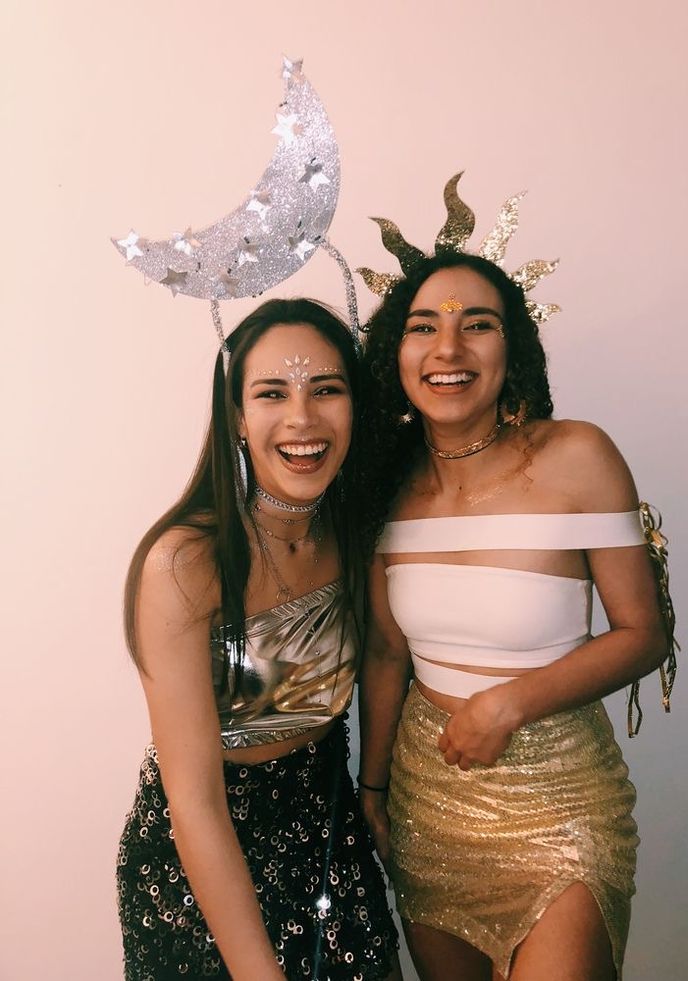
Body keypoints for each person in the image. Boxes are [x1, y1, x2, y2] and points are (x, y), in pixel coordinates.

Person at [356, 250, 672, 981]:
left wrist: (510, 702)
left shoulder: (578, 456)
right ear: (397, 353)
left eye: (478, 324)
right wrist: (372, 791)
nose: (448, 348)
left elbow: (642, 632)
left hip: (560, 793)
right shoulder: (387, 486)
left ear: (513, 347)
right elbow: (383, 653)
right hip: (428, 799)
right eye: (424, 326)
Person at [117, 298, 400, 981]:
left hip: (327, 825)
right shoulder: (186, 562)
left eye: (326, 389)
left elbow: (389, 658)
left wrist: (374, 793)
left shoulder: (359, 534)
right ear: (238, 418)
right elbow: (194, 799)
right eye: (272, 393)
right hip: (204, 856)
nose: (302, 418)